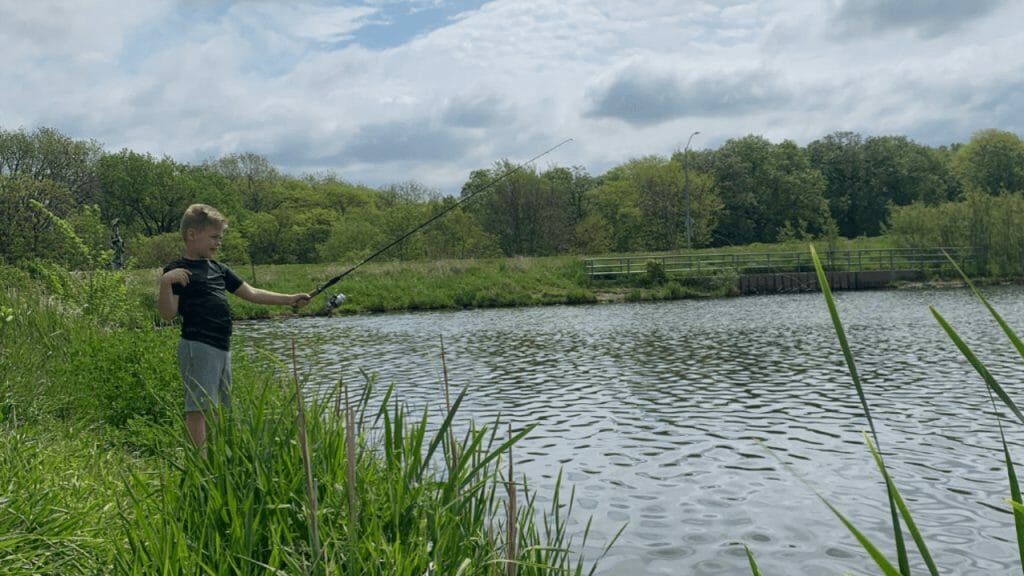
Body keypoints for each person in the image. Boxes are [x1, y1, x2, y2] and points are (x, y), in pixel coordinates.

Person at [158, 204, 310, 449]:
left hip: (222, 347)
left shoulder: (219, 269)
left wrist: (290, 298)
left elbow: (252, 293)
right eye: (214, 237)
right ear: (192, 235)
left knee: (218, 405)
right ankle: (200, 460)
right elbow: (167, 314)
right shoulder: (176, 271)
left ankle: (217, 458)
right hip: (197, 345)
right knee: (198, 407)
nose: (219, 243)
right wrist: (165, 283)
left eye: (221, 237)